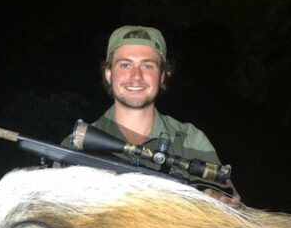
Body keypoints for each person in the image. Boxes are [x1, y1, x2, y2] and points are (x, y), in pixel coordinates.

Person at [61, 25, 241, 206]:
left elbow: (234, 216)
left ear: (162, 76)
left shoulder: (190, 140)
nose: (136, 76)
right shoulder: (76, 145)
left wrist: (219, 206)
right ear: (109, 74)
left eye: (147, 66)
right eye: (125, 65)